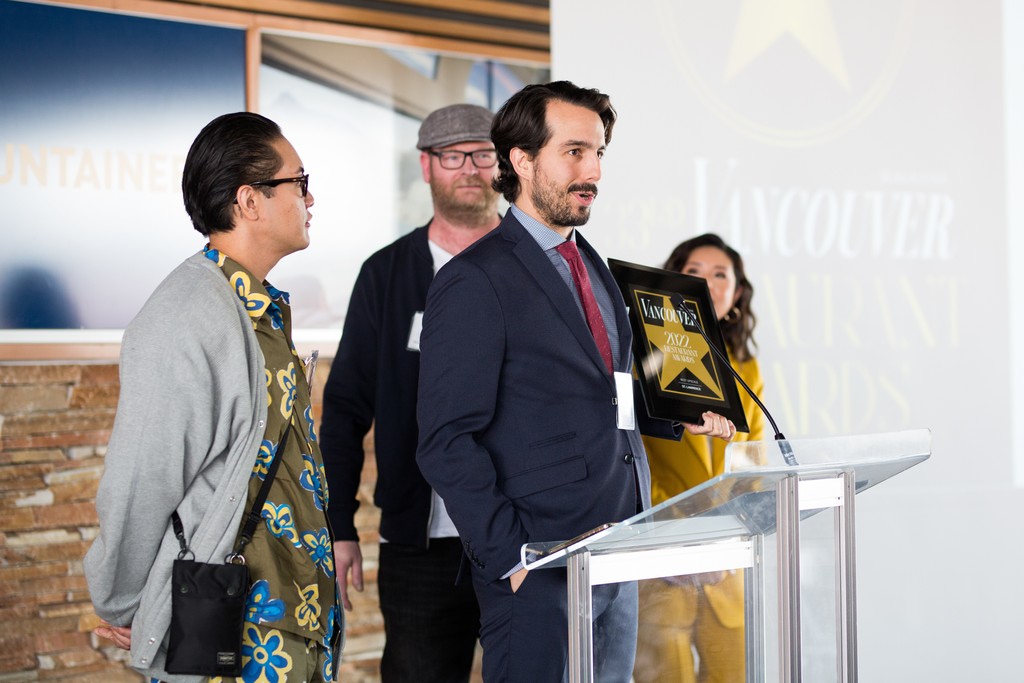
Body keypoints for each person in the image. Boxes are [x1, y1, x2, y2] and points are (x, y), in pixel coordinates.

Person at [414, 81, 736, 683]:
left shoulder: (593, 265)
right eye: (574, 152)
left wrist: (677, 411)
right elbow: (445, 441)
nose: (593, 172)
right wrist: (512, 558)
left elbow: (603, 392)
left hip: (618, 552)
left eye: (599, 154)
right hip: (539, 565)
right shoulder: (474, 279)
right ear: (521, 160)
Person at [84, 112, 343, 683]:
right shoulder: (187, 314)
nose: (310, 198)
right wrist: (123, 599)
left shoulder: (257, 307)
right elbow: (141, 475)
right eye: (298, 182)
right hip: (235, 633)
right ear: (250, 201)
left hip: (293, 622)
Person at [319, 103, 500, 682]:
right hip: (418, 544)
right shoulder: (386, 274)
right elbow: (345, 408)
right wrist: (338, 525)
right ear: (426, 166)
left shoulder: (532, 266)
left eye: (484, 154)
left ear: (506, 165)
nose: (470, 168)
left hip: (520, 535)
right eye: (453, 156)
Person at [632, 233, 765, 683]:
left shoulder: (746, 370)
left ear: (737, 295)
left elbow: (752, 467)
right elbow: (633, 461)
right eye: (694, 273)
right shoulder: (643, 361)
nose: (707, 282)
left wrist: (722, 540)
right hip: (661, 569)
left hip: (725, 571)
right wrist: (681, 539)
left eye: (720, 274)